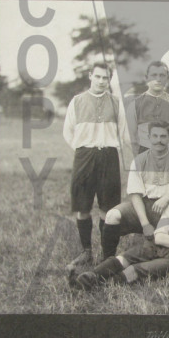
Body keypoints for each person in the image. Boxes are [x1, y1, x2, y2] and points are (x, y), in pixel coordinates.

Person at [70, 168, 169, 289]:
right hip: (156, 245)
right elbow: (159, 237)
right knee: (124, 258)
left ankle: (102, 286)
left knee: (138, 269)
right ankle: (91, 276)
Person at [63, 62, 131, 269]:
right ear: (90, 76)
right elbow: (68, 131)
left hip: (109, 156)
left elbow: (123, 133)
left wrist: (110, 149)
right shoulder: (77, 101)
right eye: (98, 77)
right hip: (84, 156)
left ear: (109, 80)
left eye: (106, 78)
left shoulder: (117, 103)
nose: (102, 81)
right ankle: (86, 252)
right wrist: (83, 149)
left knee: (108, 207)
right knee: (82, 207)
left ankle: (107, 254)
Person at [100, 120, 169, 260]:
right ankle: (107, 259)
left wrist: (166, 198)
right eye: (154, 136)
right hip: (144, 205)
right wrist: (145, 224)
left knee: (164, 247)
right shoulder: (139, 160)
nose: (158, 140)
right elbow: (135, 195)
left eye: (163, 136)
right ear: (149, 137)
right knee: (112, 215)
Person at [125, 61, 169, 154]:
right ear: (147, 78)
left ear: (167, 78)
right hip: (145, 154)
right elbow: (131, 138)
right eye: (154, 75)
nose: (158, 79)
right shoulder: (134, 105)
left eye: (162, 75)